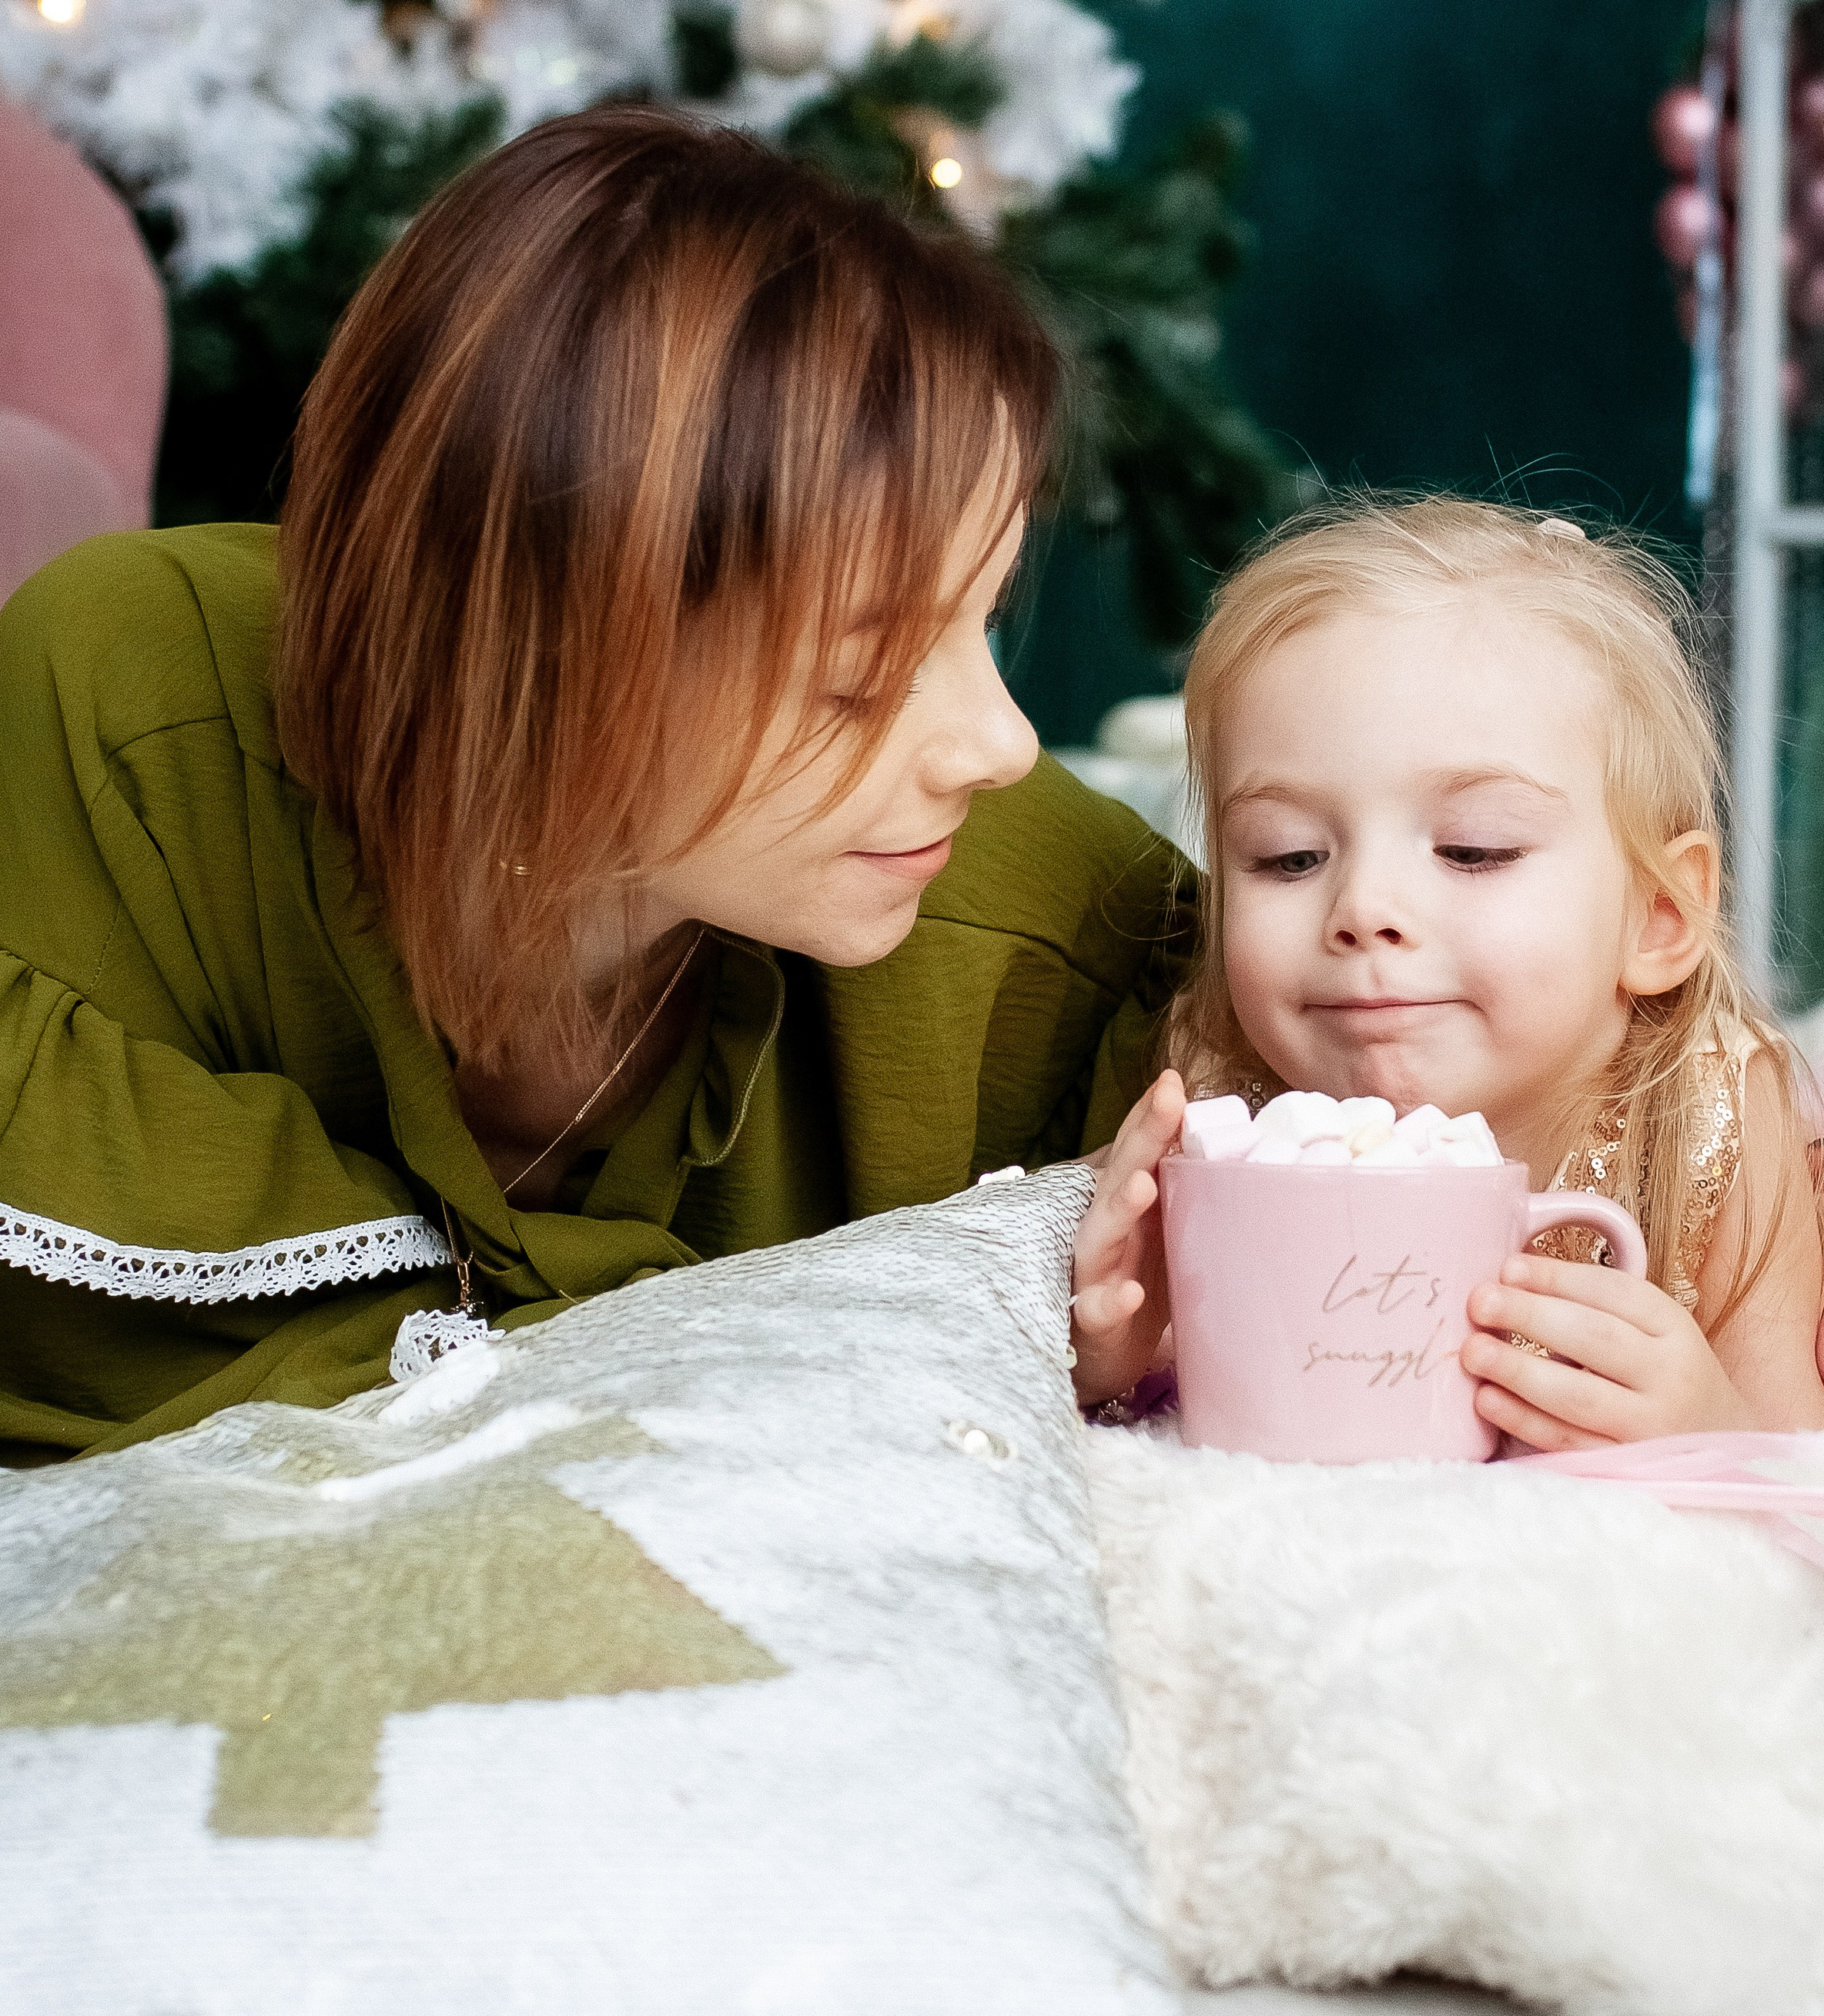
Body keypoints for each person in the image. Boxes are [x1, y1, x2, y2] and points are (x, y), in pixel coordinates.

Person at [0, 109, 1190, 1464]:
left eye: (983, 621)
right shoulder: (124, 716)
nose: (1002, 743)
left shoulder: (1045, 913)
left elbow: (1398, 1072)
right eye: (861, 675)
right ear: (546, 646)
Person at [1072, 497, 1824, 1445]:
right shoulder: (1214, 1094)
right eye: (1288, 855)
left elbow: (1808, 1477)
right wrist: (1104, 1355)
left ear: (1659, 917)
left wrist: (1703, 1423)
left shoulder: (1715, 1117)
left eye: (1472, 849)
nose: (1363, 910)